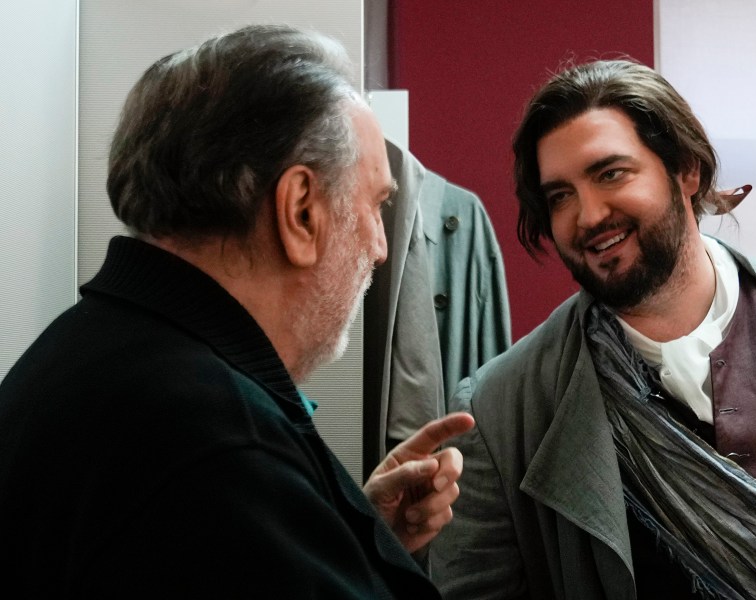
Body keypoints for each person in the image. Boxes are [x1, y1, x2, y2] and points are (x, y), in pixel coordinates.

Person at [0, 24, 474, 598]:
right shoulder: (219, 446)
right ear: (301, 211)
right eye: (376, 205)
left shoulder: (84, 351)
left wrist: (343, 530)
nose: (379, 245)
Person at [431, 58, 756, 599]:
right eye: (560, 196)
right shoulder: (499, 412)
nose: (587, 216)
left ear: (686, 171)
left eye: (611, 173)